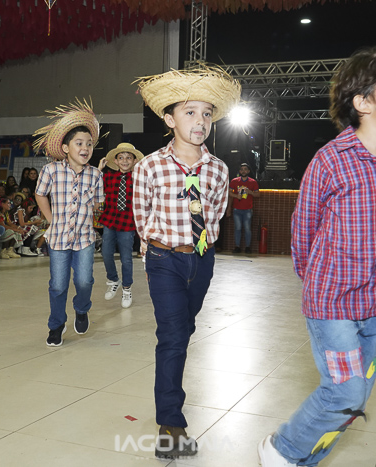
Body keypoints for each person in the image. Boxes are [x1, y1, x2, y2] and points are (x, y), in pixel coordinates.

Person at [258, 46, 376, 467]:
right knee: (345, 391)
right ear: (363, 102)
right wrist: (319, 284)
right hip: (332, 303)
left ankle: (304, 461)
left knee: (356, 397)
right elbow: (303, 228)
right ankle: (281, 450)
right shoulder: (332, 160)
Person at [132, 64, 240, 458]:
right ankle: (171, 425)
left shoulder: (218, 169)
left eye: (207, 114)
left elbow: (217, 212)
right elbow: (141, 214)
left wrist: (202, 245)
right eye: (190, 112)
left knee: (185, 329)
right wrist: (154, 246)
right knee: (174, 336)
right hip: (164, 259)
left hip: (202, 261)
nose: (200, 121)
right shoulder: (149, 166)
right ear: (169, 119)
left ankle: (170, 400)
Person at [34, 99, 104, 347]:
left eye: (89, 144)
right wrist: (51, 220)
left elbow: (97, 204)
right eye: (79, 143)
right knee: (58, 285)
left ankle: (81, 309)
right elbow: (40, 194)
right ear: (65, 147)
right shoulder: (51, 171)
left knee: (85, 281)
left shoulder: (95, 174)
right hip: (58, 238)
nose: (85, 148)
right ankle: (56, 325)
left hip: (84, 238)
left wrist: (95, 205)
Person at [97, 142, 144, 308]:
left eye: (129, 158)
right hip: (110, 220)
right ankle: (113, 279)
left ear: (134, 161)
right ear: (115, 161)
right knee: (106, 253)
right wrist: (99, 169)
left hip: (127, 222)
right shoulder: (108, 177)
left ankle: (126, 288)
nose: (125, 161)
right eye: (121, 158)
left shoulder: (137, 179)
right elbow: (94, 186)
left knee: (126, 258)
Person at [227, 162, 260, 253]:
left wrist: (250, 192)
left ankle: (247, 247)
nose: (243, 171)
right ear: (239, 171)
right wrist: (236, 197)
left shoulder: (253, 182)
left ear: (248, 171)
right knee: (237, 228)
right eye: (242, 169)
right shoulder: (234, 181)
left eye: (245, 169)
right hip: (236, 209)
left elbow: (258, 194)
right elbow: (229, 193)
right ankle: (237, 247)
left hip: (248, 210)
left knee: (247, 229)